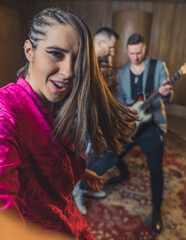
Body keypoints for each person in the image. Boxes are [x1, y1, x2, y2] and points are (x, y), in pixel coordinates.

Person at [0, 7, 134, 240]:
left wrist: (82, 171)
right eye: (56, 54)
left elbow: (48, 158)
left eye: (77, 59)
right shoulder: (6, 112)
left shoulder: (54, 105)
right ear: (29, 50)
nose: (69, 71)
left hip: (70, 222)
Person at [117, 33, 173, 234]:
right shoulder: (122, 71)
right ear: (127, 51)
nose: (135, 57)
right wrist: (128, 109)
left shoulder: (158, 66)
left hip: (152, 126)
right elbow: (120, 99)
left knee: (155, 169)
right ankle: (123, 174)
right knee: (114, 152)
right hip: (132, 125)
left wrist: (165, 94)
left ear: (144, 48)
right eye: (132, 53)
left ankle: (156, 212)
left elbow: (168, 94)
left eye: (139, 52)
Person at [72, 27, 127, 216]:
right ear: (100, 43)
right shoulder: (83, 59)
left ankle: (84, 184)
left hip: (95, 115)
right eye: (110, 48)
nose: (112, 52)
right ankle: (79, 188)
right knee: (105, 152)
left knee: (110, 151)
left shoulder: (99, 61)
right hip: (81, 117)